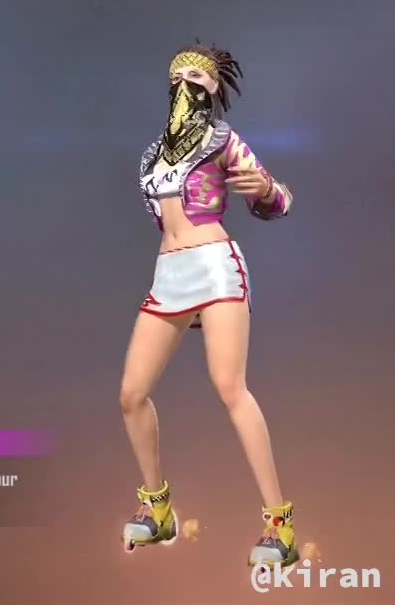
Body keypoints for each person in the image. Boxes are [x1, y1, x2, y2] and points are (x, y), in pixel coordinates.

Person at [120, 42, 297, 569]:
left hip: (215, 266)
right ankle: (158, 510)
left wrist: (264, 187)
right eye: (179, 74)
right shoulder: (154, 152)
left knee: (229, 386)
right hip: (169, 273)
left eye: (199, 75)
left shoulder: (223, 140)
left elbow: (279, 200)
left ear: (215, 86)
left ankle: (280, 525)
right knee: (131, 394)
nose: (187, 81)